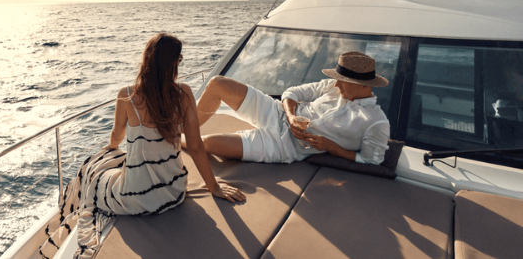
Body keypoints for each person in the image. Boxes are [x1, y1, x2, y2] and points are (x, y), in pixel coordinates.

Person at [40, 33, 244, 259]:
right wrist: (214, 187)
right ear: (173, 64)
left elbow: (116, 137)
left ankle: (62, 215)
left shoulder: (127, 95)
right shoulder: (184, 93)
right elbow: (195, 146)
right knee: (106, 166)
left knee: (91, 172)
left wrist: (110, 149)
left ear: (147, 60)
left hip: (134, 198)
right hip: (173, 191)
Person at [193, 51, 390, 165]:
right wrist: (291, 116)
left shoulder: (376, 122)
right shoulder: (332, 86)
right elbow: (292, 93)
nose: (336, 85)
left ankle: (178, 139)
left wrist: (332, 147)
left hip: (284, 146)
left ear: (365, 85)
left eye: (343, 81)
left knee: (208, 143)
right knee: (217, 83)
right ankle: (179, 129)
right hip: (276, 112)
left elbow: (371, 160)